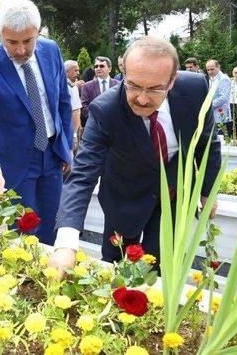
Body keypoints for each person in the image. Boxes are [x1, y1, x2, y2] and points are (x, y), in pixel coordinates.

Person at [49, 36, 221, 274]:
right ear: (124, 73)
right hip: (124, 196)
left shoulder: (196, 90)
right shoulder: (106, 110)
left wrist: (207, 192)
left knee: (160, 270)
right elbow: (82, 175)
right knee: (116, 269)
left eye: (154, 89)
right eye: (133, 85)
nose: (141, 98)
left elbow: (207, 143)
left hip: (170, 197)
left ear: (173, 81)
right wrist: (66, 243)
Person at [0, 0, 73, 245]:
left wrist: (66, 147)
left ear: (38, 32)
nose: (20, 50)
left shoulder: (51, 51)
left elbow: (62, 101)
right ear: (1, 35)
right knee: (23, 236)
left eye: (28, 41)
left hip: (51, 154)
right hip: (16, 164)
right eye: (12, 42)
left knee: (52, 227)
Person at [80, 57, 118, 126]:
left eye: (101, 66)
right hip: (95, 126)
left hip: (115, 126)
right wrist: (98, 118)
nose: (98, 68)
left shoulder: (118, 85)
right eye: (96, 66)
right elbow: (84, 107)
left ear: (109, 69)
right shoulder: (87, 86)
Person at [206, 60, 232, 134]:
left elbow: (223, 98)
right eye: (208, 70)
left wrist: (208, 105)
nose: (210, 71)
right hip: (212, 116)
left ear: (218, 67)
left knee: (221, 140)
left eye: (212, 69)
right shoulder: (211, 79)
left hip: (221, 116)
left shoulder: (224, 79)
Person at [64, 60, 82, 151]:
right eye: (75, 70)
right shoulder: (71, 86)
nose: (78, 73)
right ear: (66, 71)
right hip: (70, 129)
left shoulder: (60, 84)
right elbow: (75, 112)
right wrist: (74, 134)